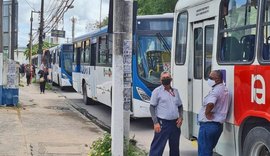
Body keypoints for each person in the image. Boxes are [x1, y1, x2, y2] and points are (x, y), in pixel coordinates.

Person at [149, 71, 183, 156]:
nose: (166, 79)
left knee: (175, 147)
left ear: (171, 79)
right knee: (157, 147)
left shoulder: (175, 91)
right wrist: (155, 122)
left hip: (175, 124)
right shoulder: (157, 91)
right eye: (163, 78)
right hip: (162, 123)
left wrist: (181, 117)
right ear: (160, 80)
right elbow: (152, 107)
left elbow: (180, 106)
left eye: (167, 77)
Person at [198, 70, 230, 156]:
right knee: (208, 150)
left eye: (211, 78)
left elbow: (211, 103)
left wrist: (207, 113)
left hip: (208, 125)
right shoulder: (224, 89)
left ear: (218, 79)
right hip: (217, 126)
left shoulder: (215, 91)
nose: (209, 79)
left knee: (204, 152)